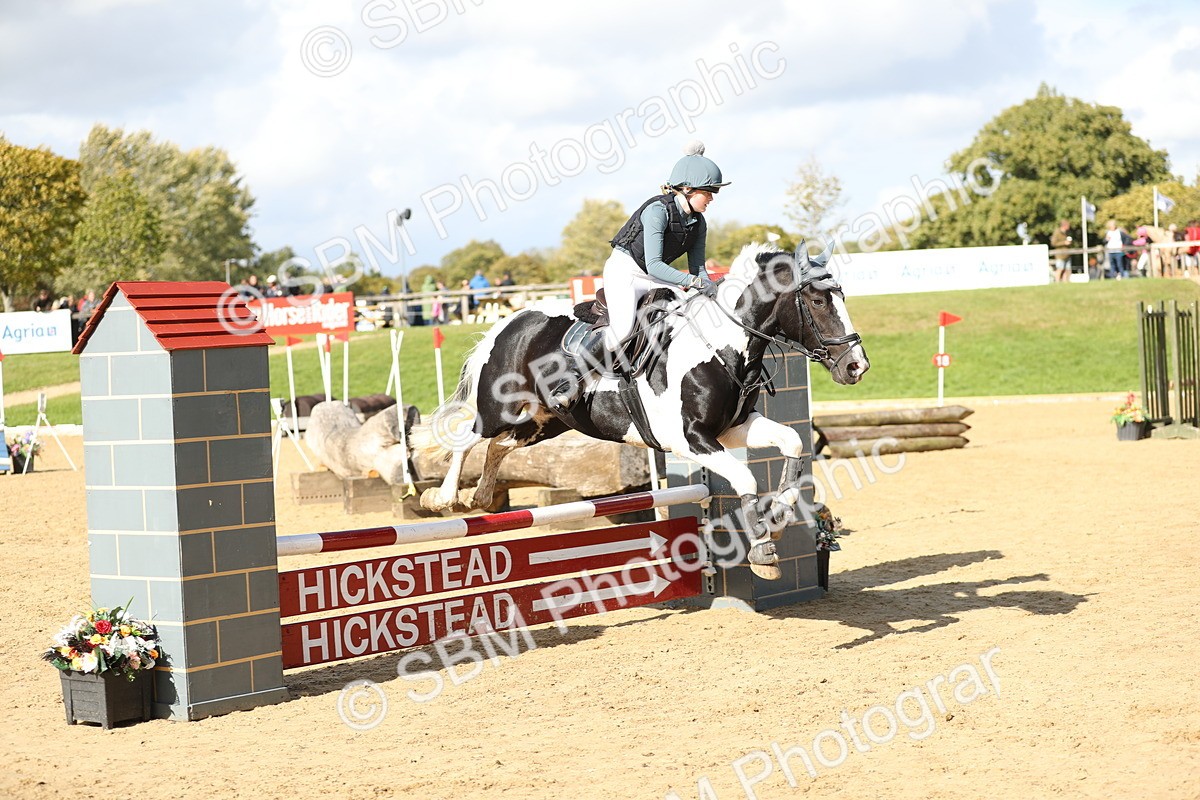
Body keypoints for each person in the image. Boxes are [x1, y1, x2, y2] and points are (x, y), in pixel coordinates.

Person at [547, 140, 729, 411]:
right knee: (622, 329)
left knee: (689, 314)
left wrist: (710, 288)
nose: (712, 198)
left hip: (657, 276)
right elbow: (654, 265)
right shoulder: (657, 211)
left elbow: (698, 270)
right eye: (709, 192)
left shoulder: (698, 222)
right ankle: (572, 379)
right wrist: (693, 282)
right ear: (688, 189)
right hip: (627, 271)